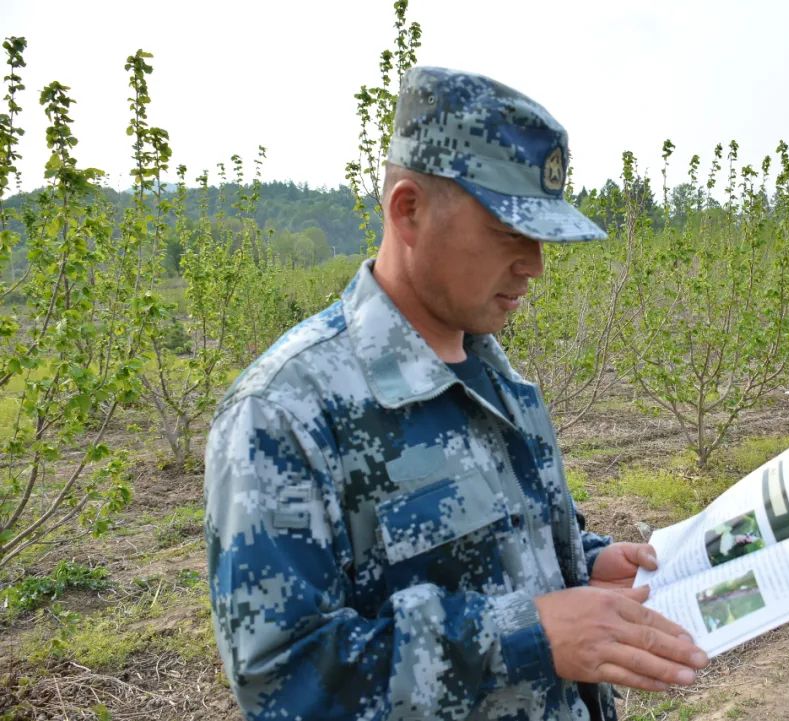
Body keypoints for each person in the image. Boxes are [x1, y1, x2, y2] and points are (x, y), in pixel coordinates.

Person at [204, 66, 708, 721]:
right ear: (408, 210)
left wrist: (587, 565)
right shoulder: (285, 410)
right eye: (508, 234)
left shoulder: (494, 371)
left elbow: (504, 548)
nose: (534, 265)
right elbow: (284, 679)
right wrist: (533, 635)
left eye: (543, 237)